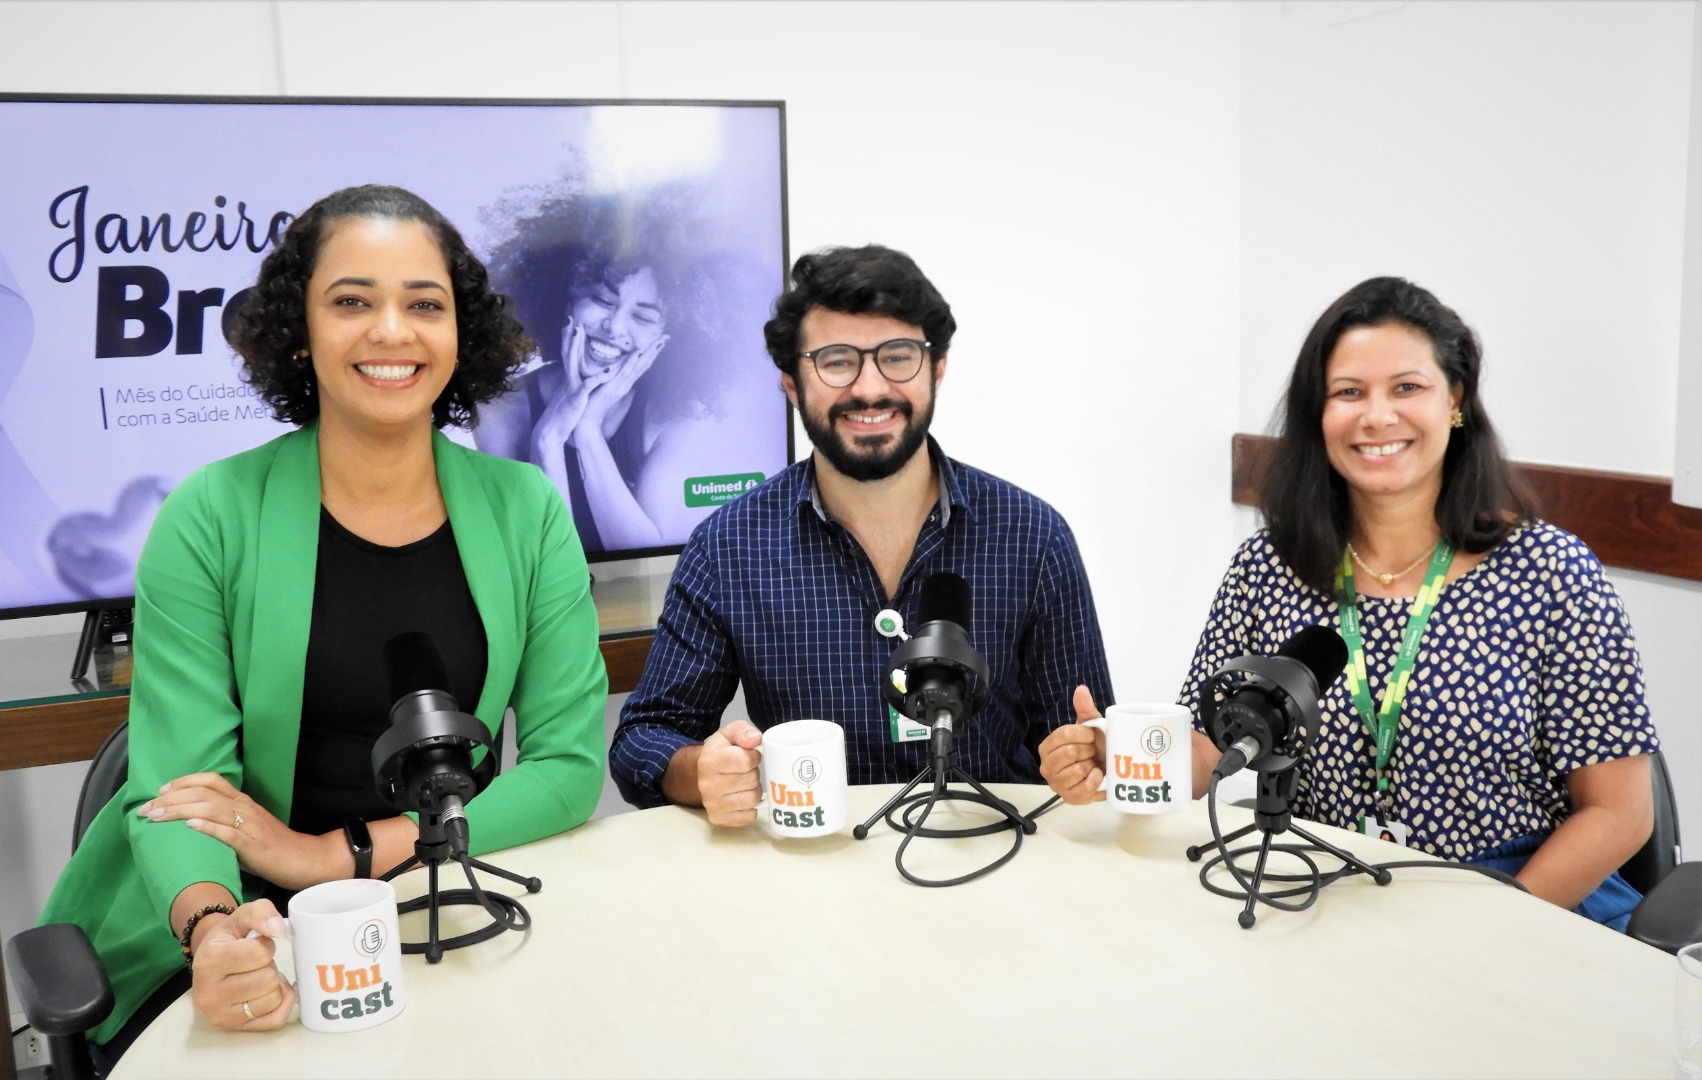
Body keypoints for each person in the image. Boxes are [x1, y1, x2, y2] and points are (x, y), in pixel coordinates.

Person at [35, 184, 609, 1069]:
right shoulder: (210, 515)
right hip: (250, 918)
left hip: (446, 892)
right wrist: (215, 931)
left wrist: (332, 857)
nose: (392, 331)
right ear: (299, 332)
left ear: (461, 333)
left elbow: (567, 771)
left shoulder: (526, 508)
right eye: (352, 302)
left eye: (425, 304)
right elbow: (182, 793)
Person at [1040, 276, 1658, 930]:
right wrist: (1115, 755)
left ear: (1455, 399)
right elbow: (1208, 747)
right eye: (1349, 393)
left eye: (1407, 387)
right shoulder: (1267, 567)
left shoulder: (1550, 573)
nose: (1377, 416)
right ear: (1319, 413)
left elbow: (1619, 812)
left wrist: (1494, 931)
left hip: (1518, 899)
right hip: (1326, 890)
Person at [608, 244, 1113, 824]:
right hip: (814, 859)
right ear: (791, 382)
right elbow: (645, 738)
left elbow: (1086, 735)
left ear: (936, 370)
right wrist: (702, 770)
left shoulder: (1032, 536)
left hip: (992, 847)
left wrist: (1089, 756)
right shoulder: (729, 547)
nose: (869, 388)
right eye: (836, 361)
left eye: (897, 357)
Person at [475, 188, 777, 554]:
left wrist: (588, 430)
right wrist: (548, 439)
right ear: (568, 298)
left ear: (666, 340)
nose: (615, 327)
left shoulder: (671, 419)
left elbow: (644, 558)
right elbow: (545, 560)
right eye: (603, 300)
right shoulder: (500, 410)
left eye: (642, 317)